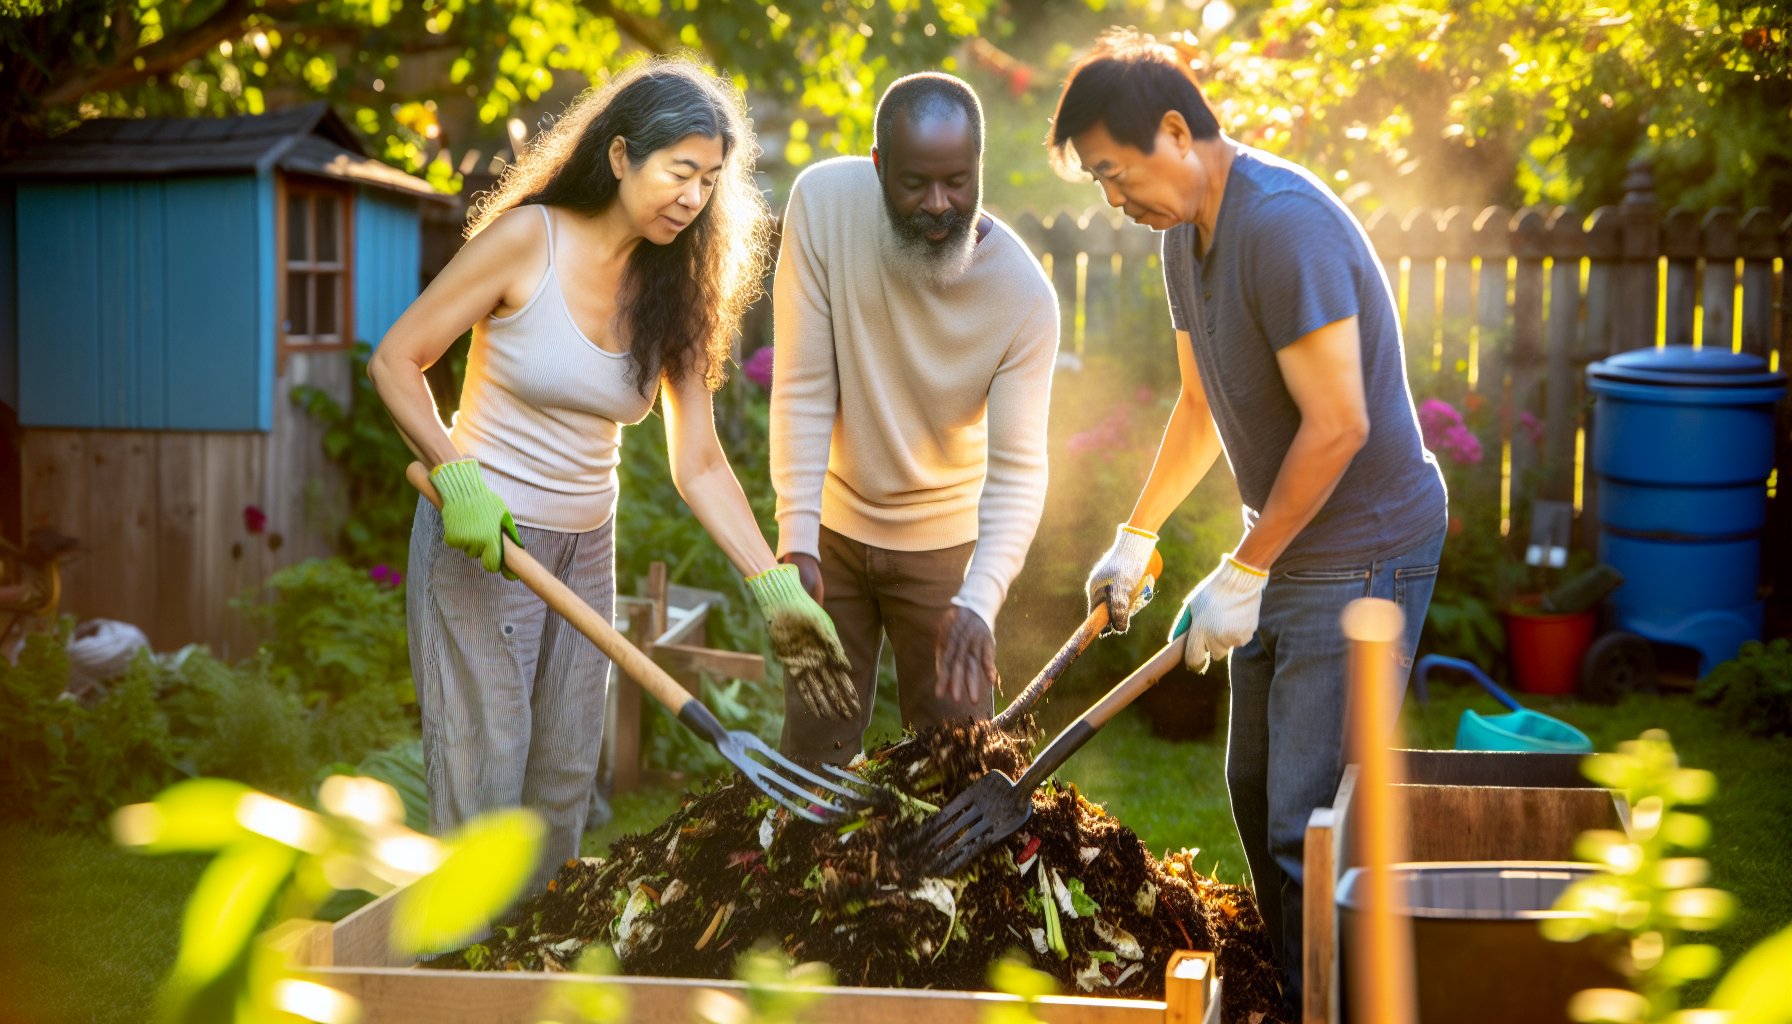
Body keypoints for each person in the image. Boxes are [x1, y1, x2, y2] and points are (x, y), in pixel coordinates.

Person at [367, 59, 853, 889]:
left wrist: (773, 586)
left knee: (563, 775)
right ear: (622, 155)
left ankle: (537, 963)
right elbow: (396, 359)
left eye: (708, 179)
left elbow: (698, 461)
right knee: (488, 767)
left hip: (587, 546)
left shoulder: (678, 285)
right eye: (678, 171)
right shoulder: (531, 241)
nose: (693, 197)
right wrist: (457, 478)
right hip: (488, 541)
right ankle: (456, 975)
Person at [1050, 30, 1449, 1005]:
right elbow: (1200, 405)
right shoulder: (1182, 238)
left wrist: (1245, 568)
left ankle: (1346, 1004)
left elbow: (1339, 421)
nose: (1112, 199)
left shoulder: (1281, 226)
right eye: (1097, 183)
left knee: (1305, 821)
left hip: (1362, 551)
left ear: (1176, 130)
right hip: (1291, 544)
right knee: (1250, 790)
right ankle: (1306, 988)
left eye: (1113, 172)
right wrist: (1136, 536)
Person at [770, 73, 1059, 762]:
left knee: (953, 760)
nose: (938, 205)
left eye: (958, 181)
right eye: (914, 183)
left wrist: (980, 597)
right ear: (878, 167)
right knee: (815, 748)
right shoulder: (823, 204)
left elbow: (1019, 472)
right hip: (833, 535)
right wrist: (797, 538)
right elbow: (805, 385)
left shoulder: (1024, 298)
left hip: (945, 553)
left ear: (979, 167)